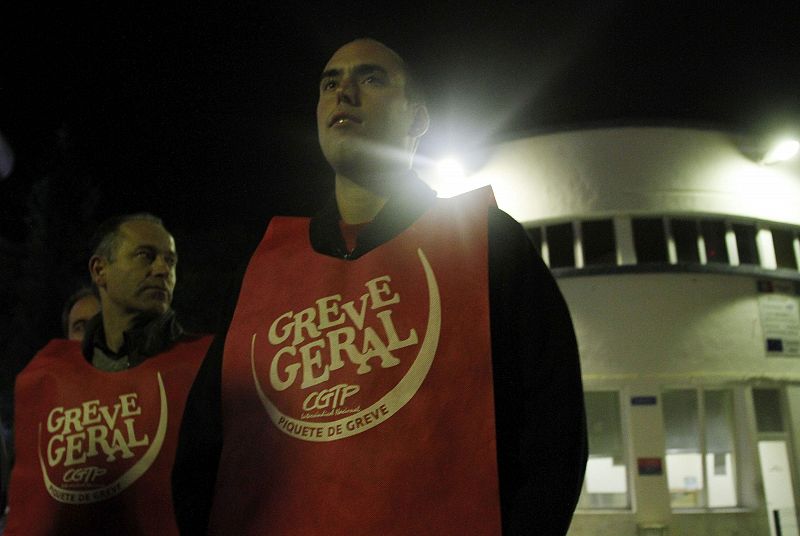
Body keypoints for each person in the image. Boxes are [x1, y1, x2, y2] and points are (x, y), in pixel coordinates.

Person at [173, 38, 587, 535]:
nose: (344, 92)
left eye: (370, 78)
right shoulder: (265, 270)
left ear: (418, 119)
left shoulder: (488, 242)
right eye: (330, 83)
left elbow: (553, 433)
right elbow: (204, 447)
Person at [4, 213, 212, 535]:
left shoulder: (206, 366)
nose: (162, 270)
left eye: (169, 261)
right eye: (145, 255)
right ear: (100, 271)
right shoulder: (47, 381)